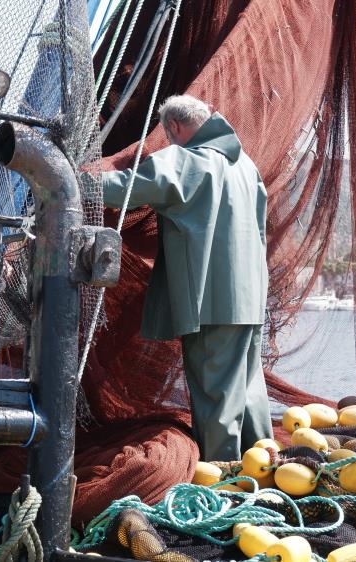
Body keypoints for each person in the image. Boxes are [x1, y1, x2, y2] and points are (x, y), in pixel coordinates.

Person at [101, 95, 273, 461]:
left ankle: (224, 478)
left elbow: (129, 189)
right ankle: (264, 469)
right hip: (251, 297)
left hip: (212, 301)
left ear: (174, 128)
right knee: (248, 387)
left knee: (215, 393)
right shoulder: (246, 166)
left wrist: (74, 183)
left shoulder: (185, 159)